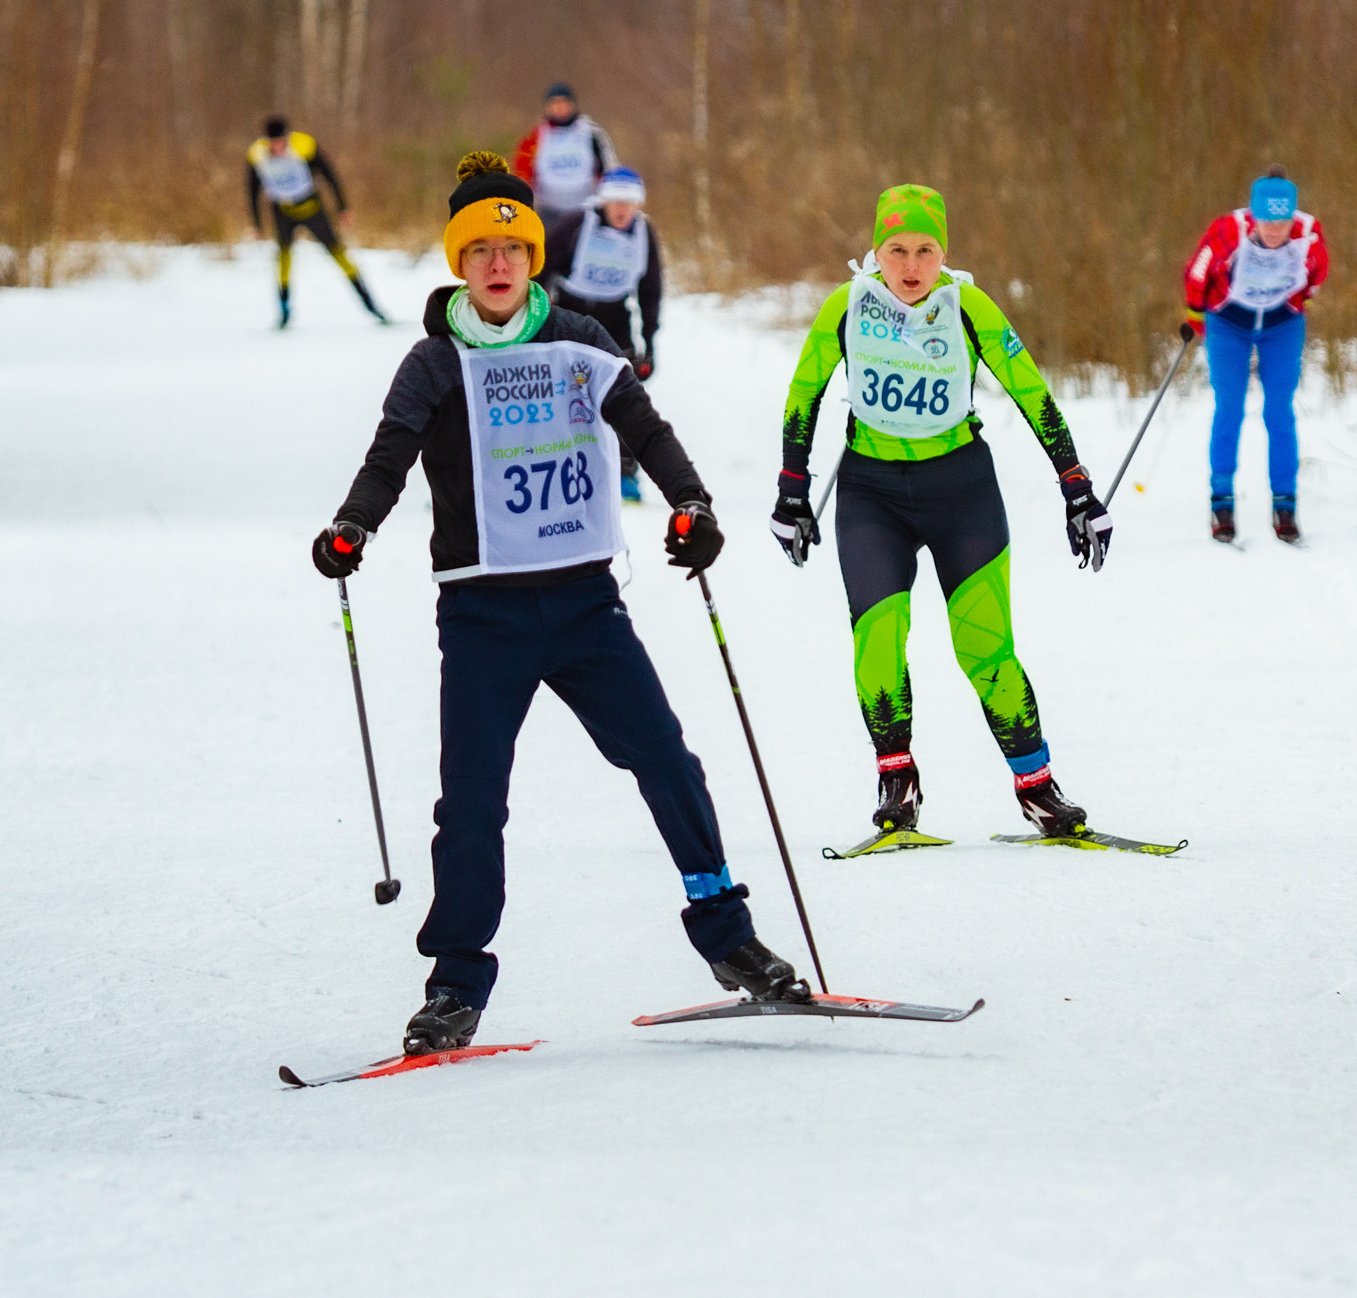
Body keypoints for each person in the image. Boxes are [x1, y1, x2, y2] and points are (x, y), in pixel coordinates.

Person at [311, 151, 810, 1056]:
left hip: (585, 605)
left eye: (514, 246)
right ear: (459, 262)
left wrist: (692, 506)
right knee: (470, 804)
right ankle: (455, 985)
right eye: (480, 250)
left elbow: (646, 431)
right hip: (482, 616)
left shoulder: (582, 337)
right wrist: (352, 526)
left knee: (666, 757)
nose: (499, 263)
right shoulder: (433, 362)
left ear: (533, 255)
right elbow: (388, 459)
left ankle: (727, 934)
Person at [771, 183, 1115, 845]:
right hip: (871, 494)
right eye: (896, 249)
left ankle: (1038, 790)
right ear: (874, 251)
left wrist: (1077, 486)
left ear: (943, 253)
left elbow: (1030, 391)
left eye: (926, 249)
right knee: (878, 638)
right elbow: (804, 392)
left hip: (962, 490)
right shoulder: (846, 306)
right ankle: (896, 786)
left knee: (987, 649)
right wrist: (792, 488)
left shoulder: (968, 307)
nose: (910, 265)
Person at [1182, 168, 1328, 545]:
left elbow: (1317, 273)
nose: (1275, 230)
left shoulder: (1308, 235)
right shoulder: (1229, 232)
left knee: (1279, 410)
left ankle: (1285, 504)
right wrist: (1195, 314)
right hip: (1229, 322)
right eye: (1267, 220)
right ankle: (1222, 502)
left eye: (1282, 221)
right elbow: (1198, 269)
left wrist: (1300, 303)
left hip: (1282, 324)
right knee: (1229, 408)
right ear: (1254, 214)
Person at [549, 168, 666, 503]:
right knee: (563, 391)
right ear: (604, 201)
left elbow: (651, 290)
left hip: (615, 318)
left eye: (629, 203)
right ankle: (560, 463)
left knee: (625, 395)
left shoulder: (644, 233)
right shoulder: (578, 224)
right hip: (569, 313)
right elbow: (541, 265)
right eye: (615, 201)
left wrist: (649, 342)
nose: (621, 209)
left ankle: (625, 474)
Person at [245, 116, 389, 328]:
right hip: (282, 211)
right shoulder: (257, 155)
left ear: (287, 137)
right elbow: (252, 189)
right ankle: (284, 312)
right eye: (273, 143)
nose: (278, 147)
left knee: (338, 253)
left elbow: (329, 175)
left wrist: (343, 207)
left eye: (281, 141)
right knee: (283, 258)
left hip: (311, 208)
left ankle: (372, 306)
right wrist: (257, 224)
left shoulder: (304, 146)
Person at [511, 83, 618, 229]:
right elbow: (522, 173)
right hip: (549, 211)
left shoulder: (591, 134)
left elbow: (609, 169)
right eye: (554, 103)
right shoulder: (535, 137)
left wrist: (609, 201)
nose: (559, 107)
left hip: (586, 210)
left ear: (572, 104)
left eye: (563, 102)